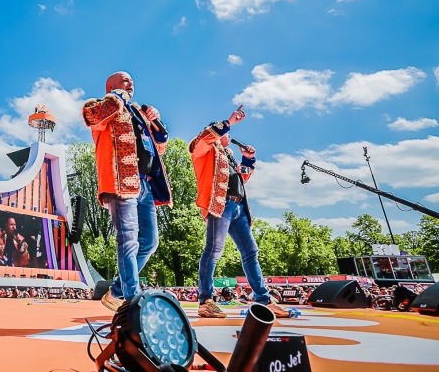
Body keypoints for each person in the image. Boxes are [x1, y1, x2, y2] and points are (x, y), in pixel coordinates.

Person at [82, 71, 171, 311]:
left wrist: (155, 122)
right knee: (128, 240)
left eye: (132, 80)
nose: (130, 82)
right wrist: (117, 97)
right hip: (121, 181)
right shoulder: (101, 106)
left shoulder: (138, 114)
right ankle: (132, 300)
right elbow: (93, 118)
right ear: (110, 86)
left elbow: (158, 148)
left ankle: (118, 290)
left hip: (146, 185)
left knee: (150, 242)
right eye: (124, 80)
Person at [189, 106, 289, 318]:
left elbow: (241, 179)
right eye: (225, 132)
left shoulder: (227, 157)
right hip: (220, 205)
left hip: (238, 207)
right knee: (213, 250)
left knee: (251, 252)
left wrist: (247, 160)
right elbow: (203, 139)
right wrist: (229, 122)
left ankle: (264, 300)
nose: (229, 135)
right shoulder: (203, 150)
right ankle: (205, 300)